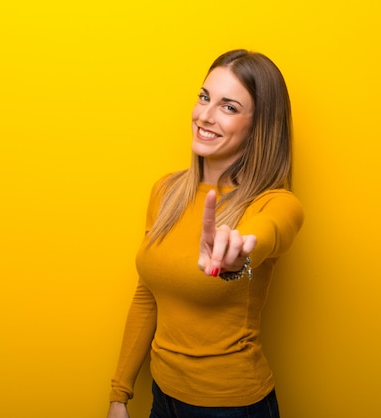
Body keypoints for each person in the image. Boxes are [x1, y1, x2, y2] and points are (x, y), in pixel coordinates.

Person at [107, 49, 304, 418]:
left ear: (259, 125)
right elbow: (146, 295)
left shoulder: (274, 204)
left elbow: (268, 232)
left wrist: (239, 255)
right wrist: (120, 393)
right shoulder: (166, 192)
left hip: (230, 407)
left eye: (229, 107)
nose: (205, 116)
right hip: (163, 398)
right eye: (204, 97)